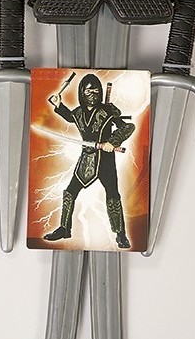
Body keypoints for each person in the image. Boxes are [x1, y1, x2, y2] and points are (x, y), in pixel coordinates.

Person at [44, 74, 135, 249]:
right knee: (70, 192)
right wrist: (58, 105)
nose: (92, 94)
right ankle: (64, 228)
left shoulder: (107, 111)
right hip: (86, 159)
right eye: (88, 91)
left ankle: (121, 234)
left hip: (106, 161)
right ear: (82, 92)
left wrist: (112, 142)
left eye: (95, 91)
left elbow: (128, 126)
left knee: (113, 196)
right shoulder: (78, 112)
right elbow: (70, 117)